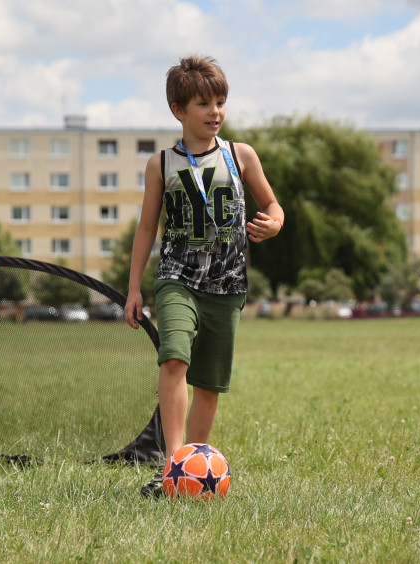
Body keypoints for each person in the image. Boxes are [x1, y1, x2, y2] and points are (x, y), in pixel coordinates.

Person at [125, 55, 284, 496]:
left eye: (220, 102)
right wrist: (134, 287)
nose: (215, 111)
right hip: (177, 279)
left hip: (228, 287)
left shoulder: (240, 156)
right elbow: (145, 228)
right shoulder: (160, 165)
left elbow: (274, 207)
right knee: (174, 357)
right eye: (203, 104)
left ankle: (195, 470)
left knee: (209, 384)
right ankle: (172, 467)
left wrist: (273, 223)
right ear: (179, 110)